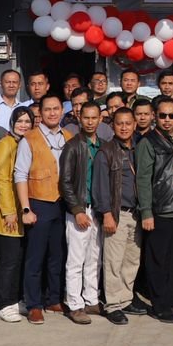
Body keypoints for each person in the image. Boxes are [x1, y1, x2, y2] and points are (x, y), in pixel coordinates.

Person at [137, 96, 173, 323]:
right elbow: (142, 179)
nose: (167, 120)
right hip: (161, 210)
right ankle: (159, 304)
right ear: (154, 116)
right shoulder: (148, 142)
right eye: (162, 115)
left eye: (172, 115)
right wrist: (146, 212)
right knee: (158, 259)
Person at [15, 95, 71, 323]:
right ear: (41, 113)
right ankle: (34, 304)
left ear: (62, 111)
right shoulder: (29, 139)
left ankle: (54, 298)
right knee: (35, 257)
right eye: (47, 109)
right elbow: (20, 174)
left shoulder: (68, 136)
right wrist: (26, 209)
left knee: (57, 255)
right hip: (38, 201)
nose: (52, 113)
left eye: (56, 109)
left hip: (62, 203)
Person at [95, 107, 143, 325]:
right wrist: (106, 214)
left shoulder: (139, 148)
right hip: (117, 214)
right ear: (112, 126)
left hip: (137, 214)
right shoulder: (106, 151)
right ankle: (113, 304)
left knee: (131, 260)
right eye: (119, 123)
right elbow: (101, 186)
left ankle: (126, 298)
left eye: (128, 123)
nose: (124, 127)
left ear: (134, 124)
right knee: (113, 261)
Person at [60, 102, 102, 325]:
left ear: (100, 119)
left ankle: (91, 298)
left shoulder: (103, 145)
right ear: (79, 119)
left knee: (94, 258)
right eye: (86, 117)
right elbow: (65, 182)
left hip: (97, 209)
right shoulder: (73, 146)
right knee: (76, 260)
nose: (90, 121)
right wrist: (76, 210)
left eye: (94, 118)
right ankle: (75, 304)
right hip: (80, 209)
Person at [0, 107, 30, 322]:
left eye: (27, 121)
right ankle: (3, 303)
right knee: (8, 260)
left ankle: (13, 299)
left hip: (19, 211)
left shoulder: (23, 144)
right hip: (7, 212)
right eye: (19, 121)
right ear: (12, 123)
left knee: (17, 258)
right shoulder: (6, 144)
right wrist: (10, 212)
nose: (23, 125)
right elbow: (1, 180)